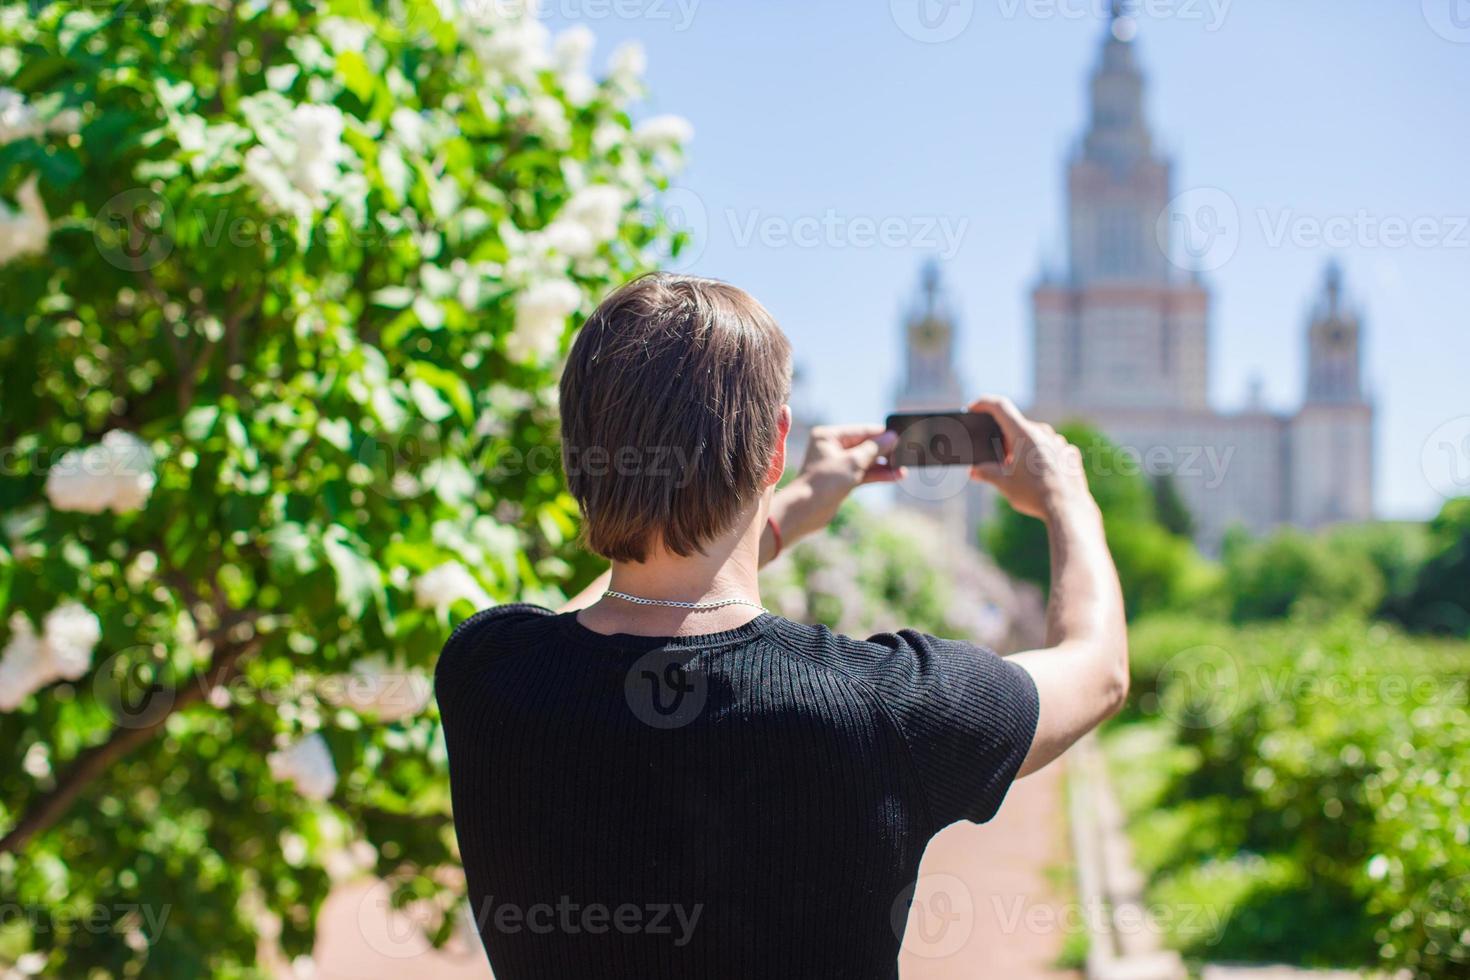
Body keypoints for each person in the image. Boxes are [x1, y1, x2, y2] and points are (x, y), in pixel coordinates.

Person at [435, 273, 1128, 979]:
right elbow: (1098, 669)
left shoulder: (484, 671)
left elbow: (602, 608)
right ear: (774, 447)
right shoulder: (881, 706)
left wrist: (791, 507)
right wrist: (1069, 498)